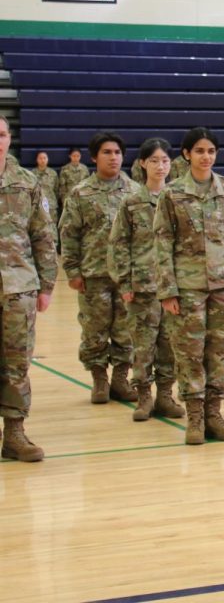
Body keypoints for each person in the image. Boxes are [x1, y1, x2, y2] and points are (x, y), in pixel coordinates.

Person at [154, 127, 224, 445]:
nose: (206, 156)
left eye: (211, 151)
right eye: (199, 150)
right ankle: (195, 416)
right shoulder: (172, 194)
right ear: (186, 154)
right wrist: (167, 289)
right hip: (187, 285)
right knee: (189, 351)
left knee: (221, 350)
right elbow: (162, 242)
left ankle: (214, 413)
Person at [108, 138, 185, 422]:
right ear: (143, 163)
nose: (160, 166)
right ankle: (144, 397)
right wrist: (125, 283)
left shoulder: (178, 197)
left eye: (165, 160)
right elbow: (118, 244)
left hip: (173, 287)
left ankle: (165, 395)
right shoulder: (132, 201)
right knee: (143, 344)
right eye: (154, 160)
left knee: (170, 344)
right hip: (141, 286)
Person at [60, 132, 137, 405]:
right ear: (94, 157)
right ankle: (99, 380)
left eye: (117, 152)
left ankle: (120, 379)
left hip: (127, 276)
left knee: (126, 329)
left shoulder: (134, 191)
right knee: (94, 330)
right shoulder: (81, 192)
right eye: (106, 152)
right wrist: (72, 271)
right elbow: (69, 234)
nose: (113, 157)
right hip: (93, 275)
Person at [0, 116, 56, 462]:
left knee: (17, 363)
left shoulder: (26, 182)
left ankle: (15, 433)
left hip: (18, 286)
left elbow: (43, 236)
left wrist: (47, 284)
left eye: (2, 134)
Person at [32, 152, 58, 245]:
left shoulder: (53, 173)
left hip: (51, 204)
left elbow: (56, 189)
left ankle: (54, 246)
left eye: (44, 158)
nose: (42, 160)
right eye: (40, 158)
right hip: (37, 204)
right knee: (38, 226)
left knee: (52, 225)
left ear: (47, 159)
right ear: (36, 160)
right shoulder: (32, 174)